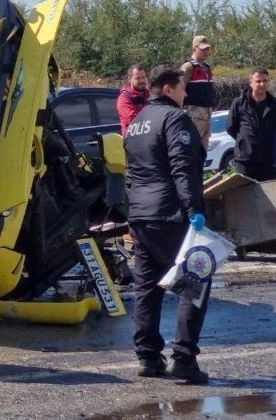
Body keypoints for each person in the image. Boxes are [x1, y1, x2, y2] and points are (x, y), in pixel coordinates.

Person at [123, 65, 210, 384]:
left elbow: (131, 173)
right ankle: (184, 358)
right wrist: (194, 210)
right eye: (183, 87)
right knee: (195, 280)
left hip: (141, 215)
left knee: (146, 287)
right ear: (170, 89)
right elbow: (182, 169)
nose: (186, 92)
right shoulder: (175, 119)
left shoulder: (136, 123)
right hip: (171, 214)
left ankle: (148, 357)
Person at [227, 68, 276, 181]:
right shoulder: (239, 103)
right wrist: (244, 140)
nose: (262, 84)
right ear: (250, 83)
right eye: (258, 81)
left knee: (267, 196)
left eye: (265, 81)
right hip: (245, 160)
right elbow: (230, 127)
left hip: (268, 159)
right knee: (244, 196)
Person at [180, 35, 215, 149]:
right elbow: (179, 89)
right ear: (194, 49)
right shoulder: (188, 66)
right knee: (191, 147)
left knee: (203, 150)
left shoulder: (207, 67)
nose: (206, 51)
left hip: (207, 113)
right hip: (193, 114)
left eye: (207, 49)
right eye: (203, 49)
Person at [117, 64, 149, 135]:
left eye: (143, 77)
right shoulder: (124, 98)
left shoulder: (149, 94)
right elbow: (134, 120)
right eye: (137, 78)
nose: (141, 80)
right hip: (133, 140)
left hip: (148, 137)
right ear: (129, 79)